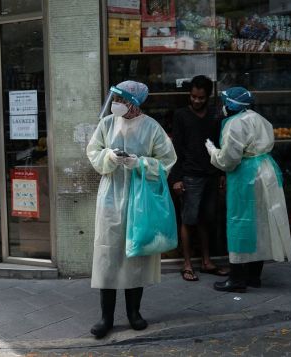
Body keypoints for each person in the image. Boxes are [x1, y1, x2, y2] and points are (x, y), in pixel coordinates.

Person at [86, 80, 177, 338]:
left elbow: (167, 160)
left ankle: (134, 313)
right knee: (108, 256)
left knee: (135, 256)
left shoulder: (152, 128)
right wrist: (110, 157)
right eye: (114, 98)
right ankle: (106, 318)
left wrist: (140, 163)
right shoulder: (106, 124)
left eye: (120, 99)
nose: (115, 103)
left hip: (140, 198)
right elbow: (93, 152)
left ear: (132, 102)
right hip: (111, 198)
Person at [205, 86, 291, 292]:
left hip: (245, 176)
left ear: (230, 104)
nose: (222, 106)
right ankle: (254, 276)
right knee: (261, 222)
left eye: (224, 102)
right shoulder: (258, 118)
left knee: (240, 223)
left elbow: (229, 160)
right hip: (267, 171)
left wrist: (212, 151)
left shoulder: (235, 124)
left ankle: (236, 279)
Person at [169, 75, 229, 282]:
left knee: (207, 219)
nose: (196, 101)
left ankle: (206, 261)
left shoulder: (215, 115)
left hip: (212, 174)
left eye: (201, 98)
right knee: (188, 220)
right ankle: (187, 264)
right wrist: (176, 178)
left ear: (208, 97)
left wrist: (221, 173)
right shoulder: (181, 115)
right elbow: (176, 148)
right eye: (193, 96)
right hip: (190, 175)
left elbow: (220, 145)